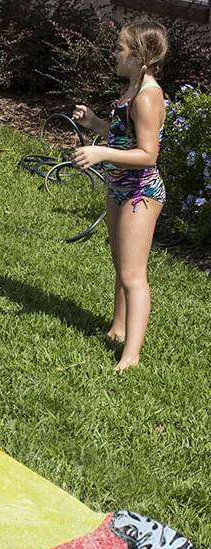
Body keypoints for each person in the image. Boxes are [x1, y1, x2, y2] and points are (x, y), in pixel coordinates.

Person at [71, 20, 169, 373]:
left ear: (140, 56)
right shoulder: (132, 87)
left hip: (140, 190)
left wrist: (101, 154)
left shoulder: (146, 97)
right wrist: (95, 123)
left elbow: (148, 154)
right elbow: (120, 135)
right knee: (120, 262)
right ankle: (117, 328)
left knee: (133, 275)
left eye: (120, 48)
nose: (114, 53)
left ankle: (131, 355)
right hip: (119, 187)